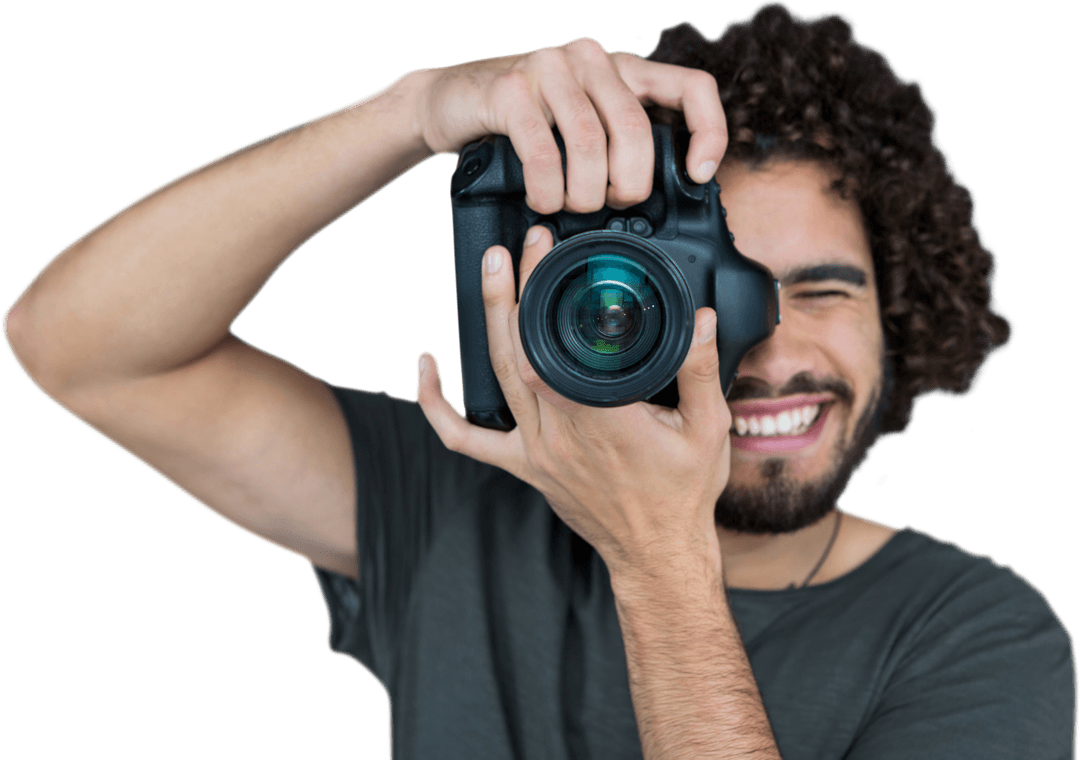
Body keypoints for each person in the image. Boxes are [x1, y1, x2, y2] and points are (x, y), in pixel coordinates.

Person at [3, 2, 1074, 758]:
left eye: (825, 289)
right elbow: (79, 343)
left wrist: (658, 564)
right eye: (712, 284)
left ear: (906, 315)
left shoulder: (979, 633)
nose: (762, 344)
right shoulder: (460, 507)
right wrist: (417, 113)